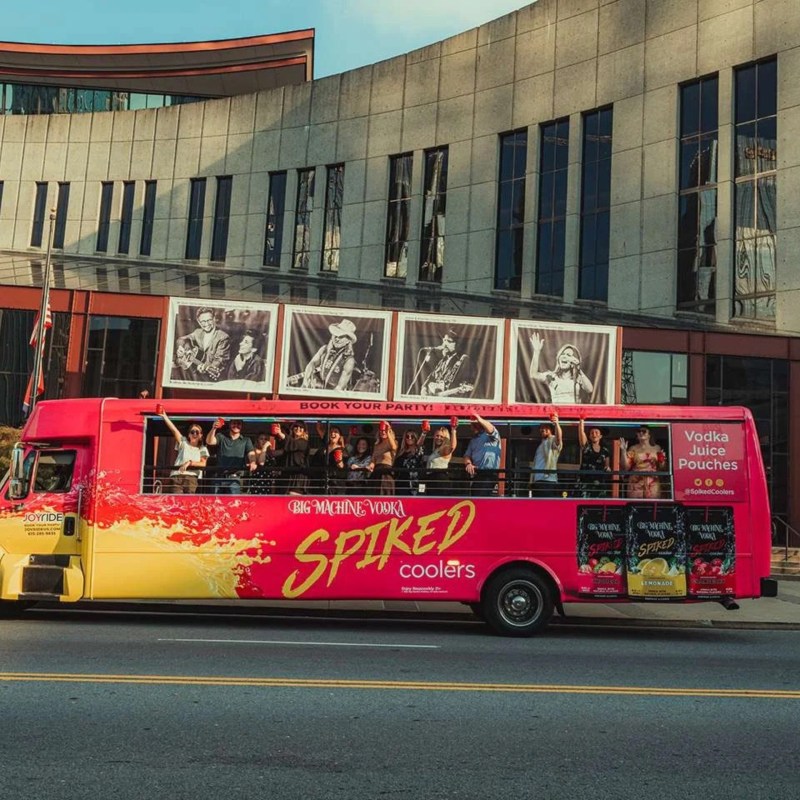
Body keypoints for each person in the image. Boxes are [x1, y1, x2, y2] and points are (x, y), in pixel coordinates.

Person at [529, 331, 594, 403]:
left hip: (573, 412)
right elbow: (533, 374)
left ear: (574, 361)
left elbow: (590, 389)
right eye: (562, 354)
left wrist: (578, 369)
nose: (564, 356)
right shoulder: (552, 377)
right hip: (557, 413)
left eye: (568, 355)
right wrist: (536, 351)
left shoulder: (578, 377)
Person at [173, 307, 231, 382]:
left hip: (211, 380)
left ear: (214, 319)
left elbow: (220, 360)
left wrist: (207, 367)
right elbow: (180, 340)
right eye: (203, 321)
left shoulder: (223, 337)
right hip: (195, 377)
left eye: (209, 320)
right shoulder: (197, 332)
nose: (206, 324)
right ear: (199, 322)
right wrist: (182, 349)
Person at [158, 409, 208, 494]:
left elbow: (203, 463)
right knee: (176, 502)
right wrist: (164, 416)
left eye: (197, 432)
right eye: (192, 432)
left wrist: (190, 463)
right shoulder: (183, 442)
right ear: (189, 435)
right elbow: (174, 430)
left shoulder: (203, 448)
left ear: (201, 435)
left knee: (188, 503)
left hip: (191, 477)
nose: (195, 434)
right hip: (177, 475)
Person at [300, 319, 358, 392]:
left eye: (341, 337)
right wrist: (305, 382)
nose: (337, 339)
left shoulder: (349, 361)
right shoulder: (324, 349)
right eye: (335, 335)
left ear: (348, 340)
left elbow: (339, 388)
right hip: (320, 389)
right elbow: (312, 363)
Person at [205, 417, 256, 494]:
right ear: (229, 424)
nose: (236, 425)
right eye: (234, 423)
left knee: (234, 504)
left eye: (239, 423)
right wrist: (214, 428)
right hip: (219, 476)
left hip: (235, 478)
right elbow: (210, 442)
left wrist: (253, 462)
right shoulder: (221, 436)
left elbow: (251, 453)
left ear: (242, 425)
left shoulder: (246, 440)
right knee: (216, 504)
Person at [419, 329, 473, 398]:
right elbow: (430, 378)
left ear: (458, 345)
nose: (444, 344)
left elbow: (460, 385)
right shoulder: (442, 361)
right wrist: (424, 388)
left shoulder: (463, 360)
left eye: (449, 341)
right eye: (444, 340)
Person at [619, 425, 666, 498]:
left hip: (652, 481)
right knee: (635, 505)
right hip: (636, 481)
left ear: (649, 435)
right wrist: (623, 451)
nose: (641, 433)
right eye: (638, 431)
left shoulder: (657, 448)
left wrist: (661, 460)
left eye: (644, 431)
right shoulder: (633, 448)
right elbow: (626, 466)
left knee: (653, 505)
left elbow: (662, 467)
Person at [463, 412, 501, 497]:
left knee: (481, 497)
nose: (471, 427)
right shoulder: (473, 440)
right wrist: (468, 463)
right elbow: (466, 456)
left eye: (472, 424)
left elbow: (491, 429)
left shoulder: (490, 436)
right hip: (477, 474)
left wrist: (479, 419)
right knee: (474, 497)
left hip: (489, 473)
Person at [576, 417, 611, 497]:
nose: (594, 434)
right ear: (589, 436)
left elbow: (607, 466)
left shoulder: (605, 450)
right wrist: (581, 420)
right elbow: (581, 433)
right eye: (592, 433)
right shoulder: (586, 447)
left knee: (598, 505)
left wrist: (608, 468)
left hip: (599, 482)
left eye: (596, 432)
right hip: (585, 481)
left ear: (601, 436)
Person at [531, 414, 564, 497]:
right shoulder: (540, 444)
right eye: (541, 427)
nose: (543, 429)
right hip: (537, 481)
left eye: (546, 427)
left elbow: (559, 438)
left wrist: (556, 423)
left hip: (548, 481)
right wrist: (531, 481)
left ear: (551, 429)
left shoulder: (552, 440)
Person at [273, 421, 310, 495]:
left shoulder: (304, 442)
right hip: (286, 477)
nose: (298, 428)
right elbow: (281, 452)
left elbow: (293, 444)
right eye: (296, 426)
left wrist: (280, 434)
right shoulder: (288, 442)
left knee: (293, 500)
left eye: (301, 427)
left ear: (304, 431)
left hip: (297, 478)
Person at [310, 423, 347, 494]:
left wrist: (339, 461)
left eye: (336, 432)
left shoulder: (341, 449)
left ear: (340, 436)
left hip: (333, 484)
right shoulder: (325, 445)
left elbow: (341, 466)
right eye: (331, 432)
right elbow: (319, 428)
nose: (333, 433)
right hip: (319, 482)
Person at [423, 421, 458, 496]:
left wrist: (453, 431)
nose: (438, 438)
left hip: (440, 480)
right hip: (432, 480)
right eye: (437, 435)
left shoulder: (445, 449)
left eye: (442, 437)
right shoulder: (436, 449)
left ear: (446, 439)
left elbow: (452, 447)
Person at [394, 428, 427, 496]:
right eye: (407, 436)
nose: (409, 438)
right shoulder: (401, 452)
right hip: (402, 484)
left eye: (412, 436)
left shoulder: (419, 449)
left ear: (415, 438)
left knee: (419, 502)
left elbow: (419, 444)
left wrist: (424, 433)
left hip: (417, 482)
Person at [367, 420, 398, 495]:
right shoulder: (377, 444)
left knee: (385, 495)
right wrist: (371, 465)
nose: (383, 432)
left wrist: (388, 430)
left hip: (386, 472)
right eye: (381, 430)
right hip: (376, 472)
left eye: (385, 430)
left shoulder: (393, 442)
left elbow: (393, 447)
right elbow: (373, 459)